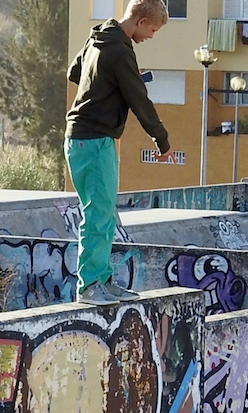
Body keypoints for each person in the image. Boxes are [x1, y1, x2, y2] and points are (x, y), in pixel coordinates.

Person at [65, 0, 173, 305]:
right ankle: (89, 287)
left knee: (103, 214)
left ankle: (101, 279)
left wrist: (110, 83)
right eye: (152, 29)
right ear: (139, 21)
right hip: (94, 140)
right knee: (98, 216)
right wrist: (161, 140)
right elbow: (139, 100)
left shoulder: (98, 35)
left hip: (84, 140)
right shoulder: (120, 49)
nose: (151, 36)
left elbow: (75, 73)